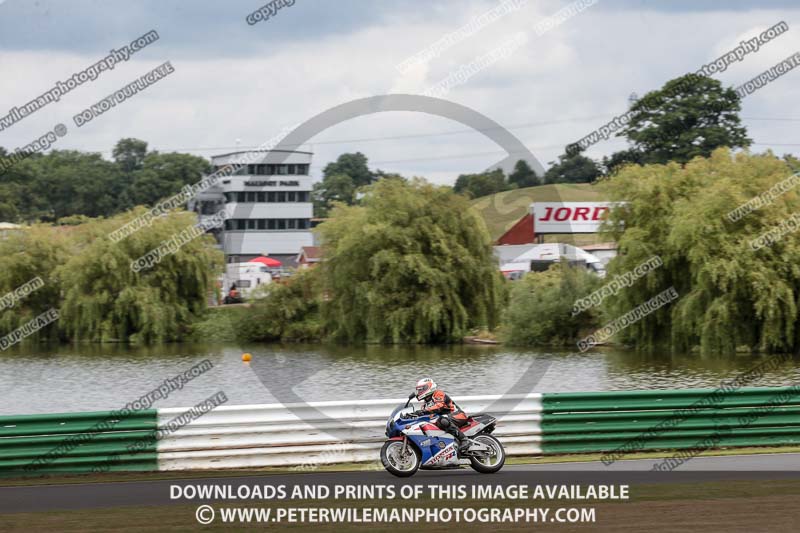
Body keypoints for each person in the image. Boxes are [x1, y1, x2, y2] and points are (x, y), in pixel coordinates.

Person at [412, 378, 471, 455]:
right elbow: (426, 416)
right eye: (419, 390)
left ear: (429, 387)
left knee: (442, 420)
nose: (420, 392)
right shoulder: (425, 404)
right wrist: (414, 415)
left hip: (457, 415)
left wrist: (423, 411)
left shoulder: (438, 393)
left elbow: (439, 406)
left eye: (422, 389)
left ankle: (464, 439)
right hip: (445, 418)